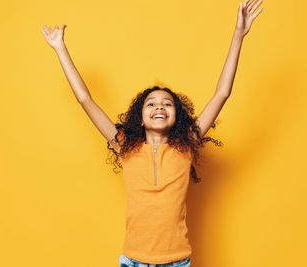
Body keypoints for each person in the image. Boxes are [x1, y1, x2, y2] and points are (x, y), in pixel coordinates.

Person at [41, 0, 263, 266]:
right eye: (152, 104)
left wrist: (238, 34)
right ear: (142, 118)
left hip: (177, 261)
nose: (160, 106)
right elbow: (85, 99)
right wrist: (60, 48)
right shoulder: (124, 145)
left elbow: (222, 93)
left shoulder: (188, 144)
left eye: (167, 103)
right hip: (133, 261)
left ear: (177, 116)